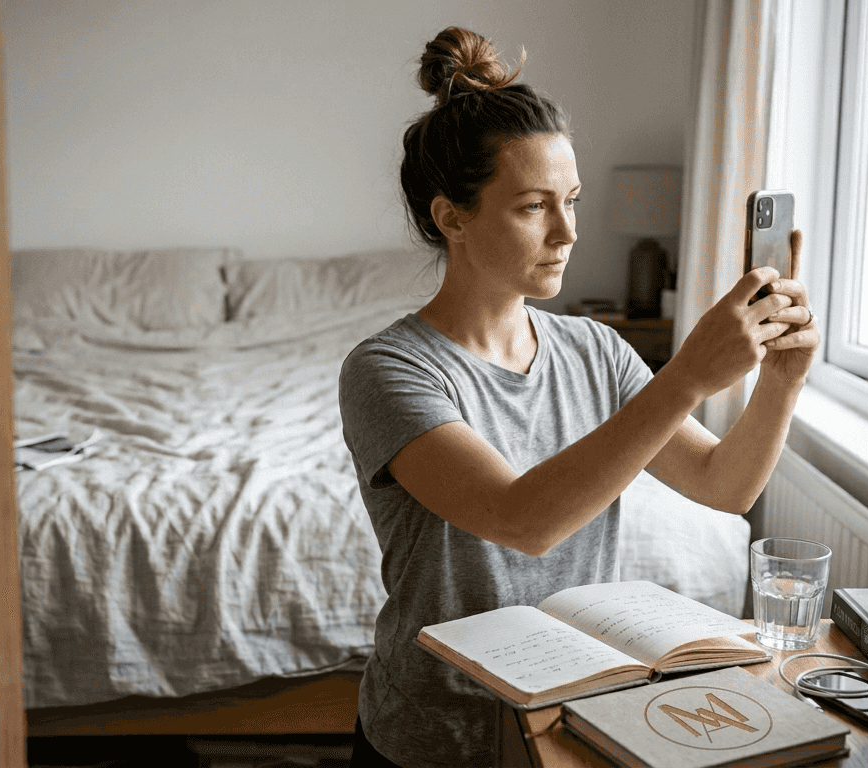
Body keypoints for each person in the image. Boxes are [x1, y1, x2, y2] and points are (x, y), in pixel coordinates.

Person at [337, 27, 818, 768]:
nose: (567, 232)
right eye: (534, 207)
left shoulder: (596, 349)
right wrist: (686, 377)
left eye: (572, 200)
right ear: (451, 217)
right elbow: (522, 520)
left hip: (575, 716)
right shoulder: (388, 370)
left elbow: (723, 487)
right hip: (439, 738)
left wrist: (782, 379)